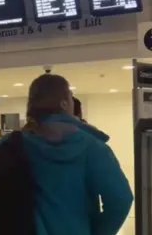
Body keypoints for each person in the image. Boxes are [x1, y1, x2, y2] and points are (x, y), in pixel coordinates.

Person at [20, 74, 132, 235]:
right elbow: (121, 199)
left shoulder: (13, 144)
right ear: (64, 103)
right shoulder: (91, 147)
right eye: (71, 97)